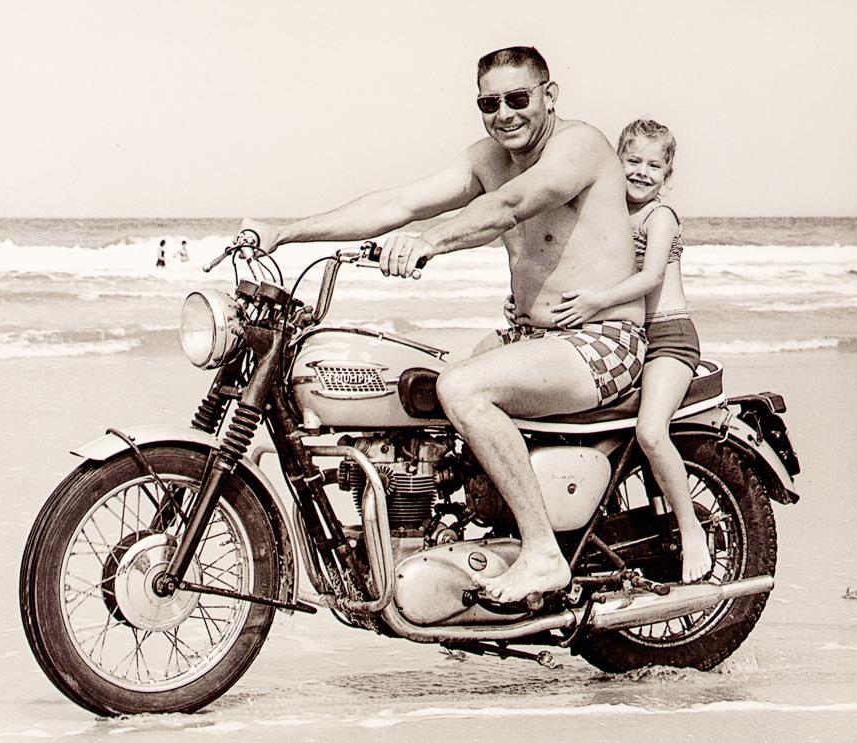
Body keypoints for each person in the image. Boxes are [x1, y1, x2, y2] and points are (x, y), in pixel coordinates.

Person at [237, 46, 646, 603]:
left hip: (601, 342)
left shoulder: (581, 146)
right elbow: (400, 202)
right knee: (428, 388)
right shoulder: (488, 157)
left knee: (463, 388)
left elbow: (514, 205)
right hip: (533, 338)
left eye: (518, 98)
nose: (504, 113)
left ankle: (544, 554)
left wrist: (430, 243)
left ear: (549, 95)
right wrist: (285, 233)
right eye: (489, 102)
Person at [506, 119, 711, 583]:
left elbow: (651, 277)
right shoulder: (607, 210)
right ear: (616, 162)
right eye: (632, 161)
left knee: (651, 433)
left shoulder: (660, 216)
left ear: (668, 175)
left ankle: (691, 528)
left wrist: (595, 301)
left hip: (667, 337)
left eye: (653, 165)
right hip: (618, 332)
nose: (641, 172)